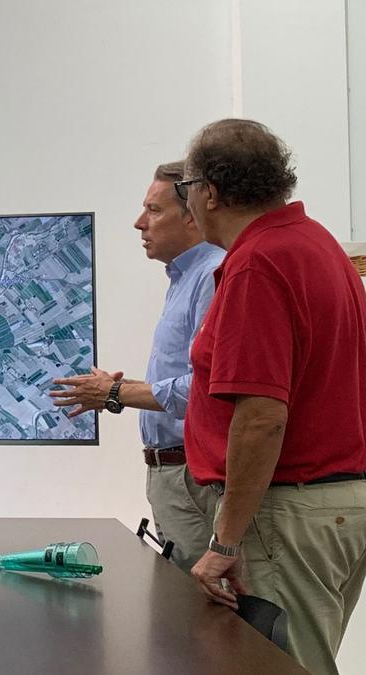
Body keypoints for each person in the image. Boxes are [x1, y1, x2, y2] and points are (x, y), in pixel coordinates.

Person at [182, 118, 366, 675]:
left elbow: (261, 416)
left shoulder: (259, 262)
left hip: (287, 509)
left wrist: (226, 540)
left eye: (183, 186)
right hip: (332, 503)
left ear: (209, 191)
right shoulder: (316, 244)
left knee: (279, 667)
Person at [49, 162, 224, 571]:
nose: (138, 223)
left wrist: (116, 392)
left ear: (192, 215)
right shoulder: (185, 277)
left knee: (204, 615)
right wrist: (117, 390)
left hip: (192, 477)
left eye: (154, 210)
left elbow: (207, 388)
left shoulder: (212, 274)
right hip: (176, 475)